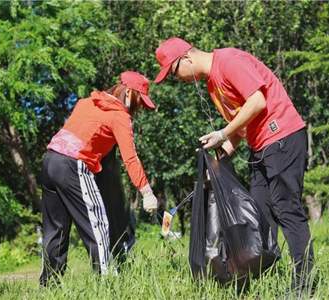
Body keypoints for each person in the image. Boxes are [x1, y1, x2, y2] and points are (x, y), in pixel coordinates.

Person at [154, 37, 314, 292]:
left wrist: (222, 133)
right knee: (258, 214)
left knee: (287, 210)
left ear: (185, 58)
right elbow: (240, 129)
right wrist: (216, 164)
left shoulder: (228, 61)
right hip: (261, 147)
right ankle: (257, 285)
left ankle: (305, 284)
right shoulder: (212, 85)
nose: (178, 79)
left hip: (282, 136)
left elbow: (258, 102)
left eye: (174, 73)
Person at [39, 71, 158, 286]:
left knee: (55, 229)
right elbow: (130, 158)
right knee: (98, 225)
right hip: (72, 164)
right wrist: (146, 192)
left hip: (49, 160)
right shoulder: (120, 116)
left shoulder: (86, 102)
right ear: (129, 93)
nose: (140, 108)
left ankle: (49, 287)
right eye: (140, 101)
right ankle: (108, 285)